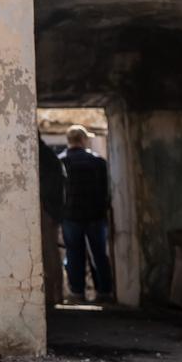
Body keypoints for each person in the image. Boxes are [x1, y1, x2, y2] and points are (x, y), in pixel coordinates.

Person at [59, 125, 115, 302]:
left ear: (69, 141)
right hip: (95, 216)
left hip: (70, 216)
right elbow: (107, 189)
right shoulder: (97, 161)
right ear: (83, 140)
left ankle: (77, 292)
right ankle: (104, 292)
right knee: (99, 254)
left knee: (74, 254)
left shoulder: (61, 161)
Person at [37, 134, 65, 307]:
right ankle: (55, 294)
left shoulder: (42, 155)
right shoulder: (49, 155)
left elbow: (47, 187)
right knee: (50, 253)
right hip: (51, 209)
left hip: (46, 209)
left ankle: (52, 296)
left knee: (48, 253)